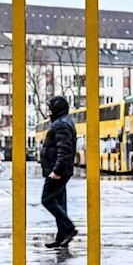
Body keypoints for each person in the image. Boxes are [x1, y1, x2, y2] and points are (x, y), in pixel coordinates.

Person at [39, 95, 78, 248]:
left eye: (50, 108)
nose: (48, 112)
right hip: (58, 170)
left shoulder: (61, 124)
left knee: (47, 200)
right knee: (59, 202)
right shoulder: (61, 122)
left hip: (57, 171)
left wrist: (56, 171)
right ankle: (62, 236)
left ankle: (69, 228)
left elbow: (64, 150)